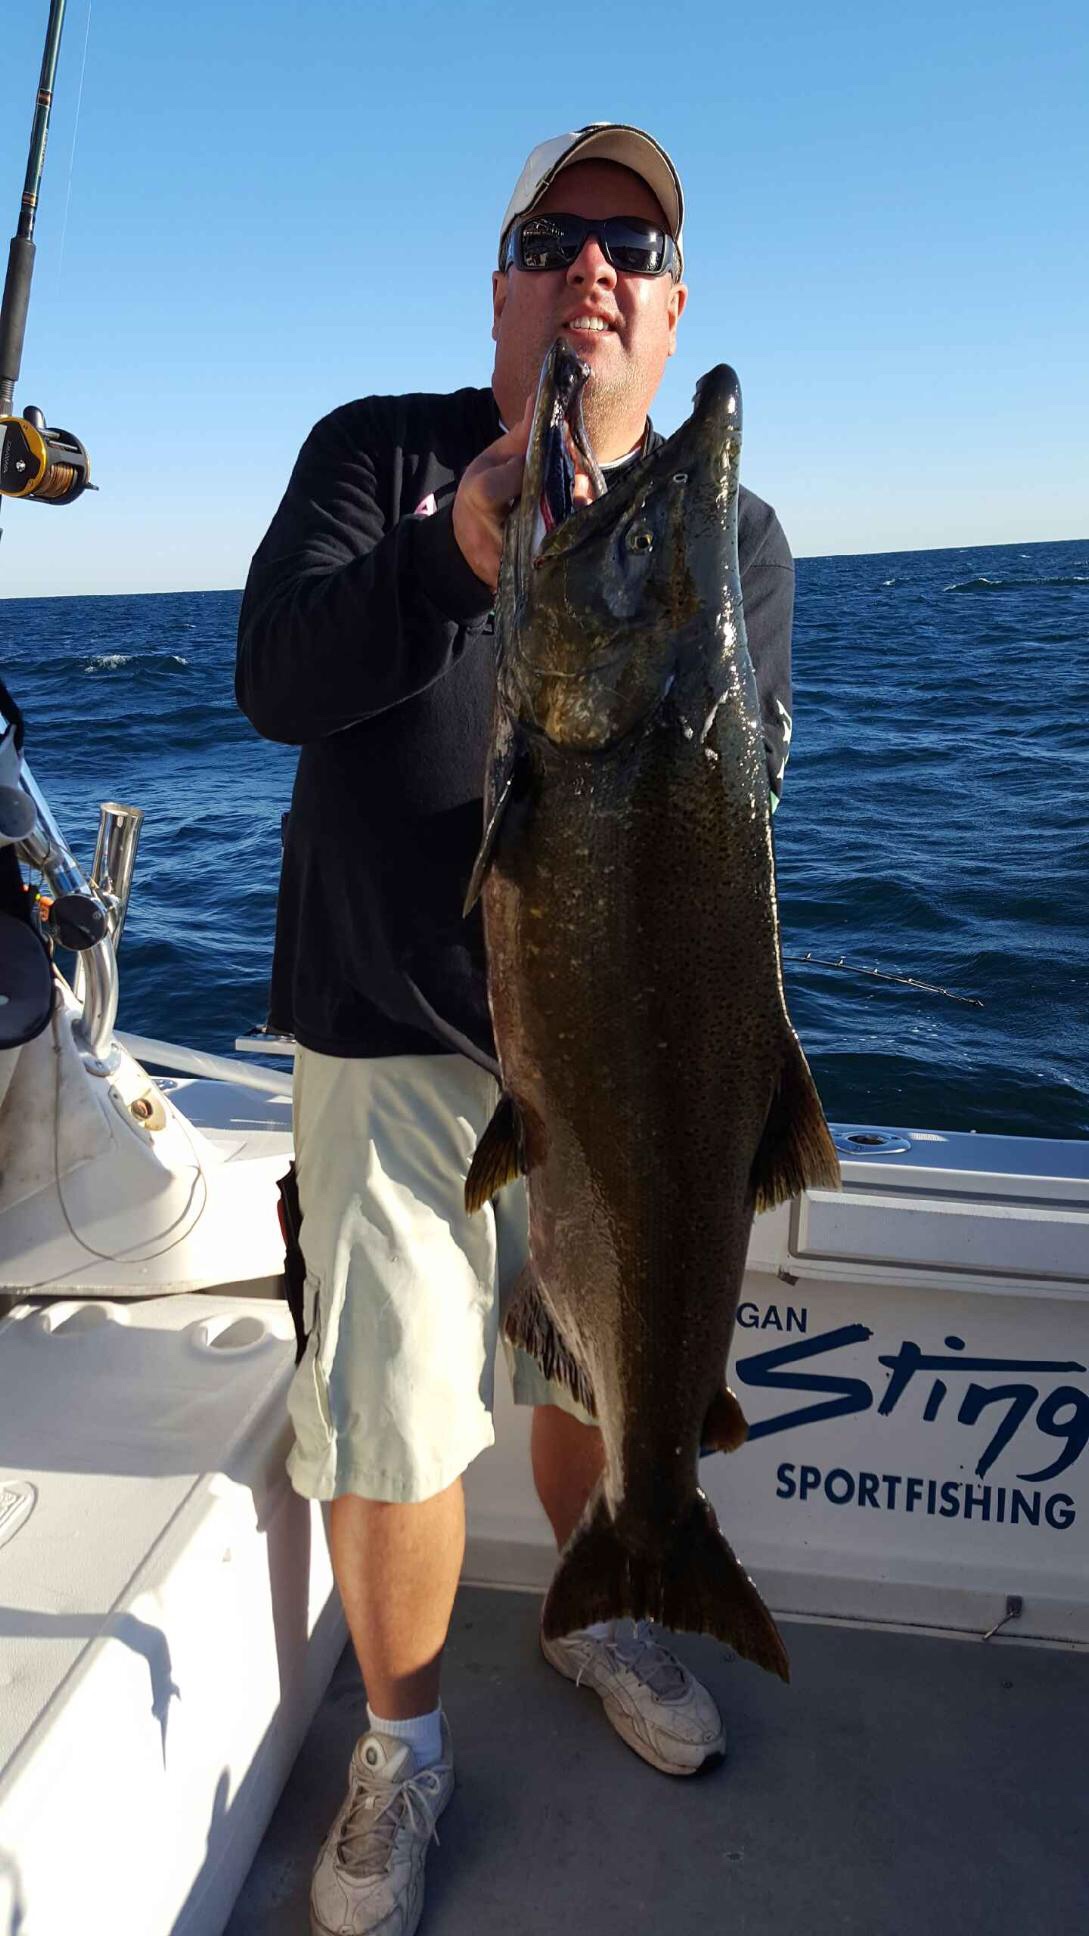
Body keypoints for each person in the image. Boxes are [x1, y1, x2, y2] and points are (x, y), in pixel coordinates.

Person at [236, 121, 794, 1936]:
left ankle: (615, 1590)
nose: (593, 273)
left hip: (612, 1034)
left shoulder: (733, 539)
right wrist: (450, 556)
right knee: (395, 1399)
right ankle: (401, 1746)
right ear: (501, 288)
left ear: (672, 308)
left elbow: (732, 806)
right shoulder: (376, 456)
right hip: (388, 1021)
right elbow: (272, 680)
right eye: (554, 241)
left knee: (589, 1356)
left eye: (632, 250)